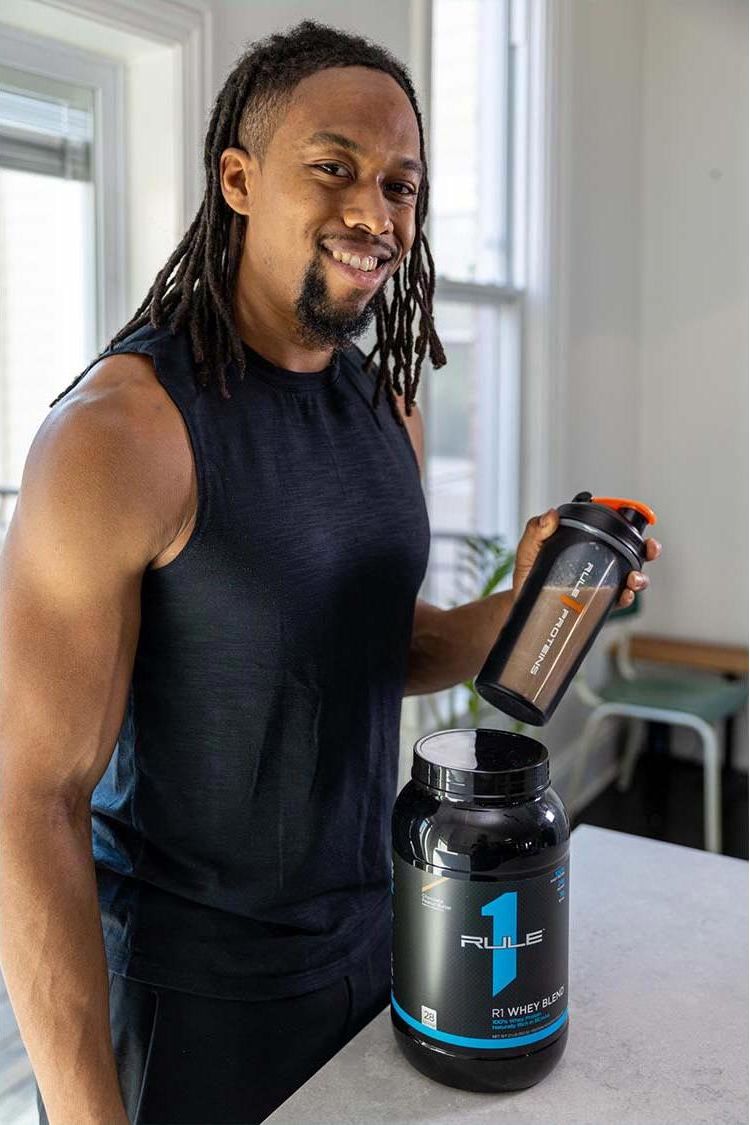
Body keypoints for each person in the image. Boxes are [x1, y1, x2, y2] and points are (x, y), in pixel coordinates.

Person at [0, 19, 661, 1125]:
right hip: (191, 1000)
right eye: (335, 168)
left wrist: (531, 598)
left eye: (402, 185)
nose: (376, 212)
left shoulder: (381, 405)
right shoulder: (122, 434)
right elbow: (32, 800)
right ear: (239, 179)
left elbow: (374, 648)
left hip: (378, 945)